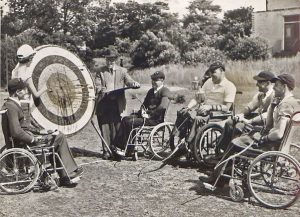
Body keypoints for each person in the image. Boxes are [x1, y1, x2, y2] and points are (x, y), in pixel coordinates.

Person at [203, 74, 300, 187]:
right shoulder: (292, 102)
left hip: (271, 145)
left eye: (276, 85)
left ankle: (217, 178)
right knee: (242, 138)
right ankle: (219, 173)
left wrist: (264, 138)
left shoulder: (285, 105)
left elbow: (278, 133)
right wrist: (272, 107)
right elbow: (269, 125)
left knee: (235, 143)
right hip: (277, 144)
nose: (273, 88)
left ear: (284, 86)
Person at [1, 78, 83, 186]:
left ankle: (66, 173)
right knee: (59, 137)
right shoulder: (11, 107)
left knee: (56, 134)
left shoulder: (12, 104)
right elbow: (16, 132)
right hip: (25, 143)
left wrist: (40, 131)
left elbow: (23, 127)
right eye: (24, 90)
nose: (27, 92)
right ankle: (68, 174)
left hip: (25, 140)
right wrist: (33, 139)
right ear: (18, 92)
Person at [172, 62, 236, 148]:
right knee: (183, 112)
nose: (211, 74)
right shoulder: (208, 82)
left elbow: (227, 107)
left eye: (214, 72)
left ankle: (189, 143)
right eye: (210, 71)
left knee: (198, 119)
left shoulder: (229, 86)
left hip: (218, 115)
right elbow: (197, 98)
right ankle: (180, 137)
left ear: (222, 72)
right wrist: (188, 107)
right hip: (204, 112)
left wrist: (210, 107)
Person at [94, 48, 140, 159]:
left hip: (117, 103)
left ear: (116, 60)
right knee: (105, 127)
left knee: (117, 127)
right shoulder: (100, 71)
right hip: (104, 103)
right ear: (105, 59)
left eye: (112, 60)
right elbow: (97, 85)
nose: (110, 62)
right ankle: (106, 151)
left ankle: (116, 150)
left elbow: (129, 81)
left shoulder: (122, 71)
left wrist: (134, 83)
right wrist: (101, 89)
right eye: (108, 59)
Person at [216, 71, 275, 154]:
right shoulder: (260, 94)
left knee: (239, 126)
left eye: (259, 82)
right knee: (230, 122)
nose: (256, 84)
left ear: (268, 83)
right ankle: (224, 150)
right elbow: (250, 106)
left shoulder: (274, 96)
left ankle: (233, 153)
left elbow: (267, 115)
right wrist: (240, 115)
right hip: (258, 122)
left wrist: (249, 121)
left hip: (265, 126)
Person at [113, 71, 171, 152]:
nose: (153, 82)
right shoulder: (151, 91)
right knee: (125, 119)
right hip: (146, 117)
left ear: (162, 81)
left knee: (131, 122)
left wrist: (150, 115)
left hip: (156, 119)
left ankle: (129, 150)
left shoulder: (165, 91)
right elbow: (144, 104)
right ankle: (119, 145)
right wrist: (142, 111)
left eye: (156, 80)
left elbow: (162, 107)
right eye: (152, 80)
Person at [12, 44, 48, 128]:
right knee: (25, 130)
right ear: (30, 58)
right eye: (32, 58)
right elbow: (36, 94)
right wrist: (45, 88)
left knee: (16, 129)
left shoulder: (15, 71)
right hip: (24, 106)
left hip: (14, 104)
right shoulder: (26, 76)